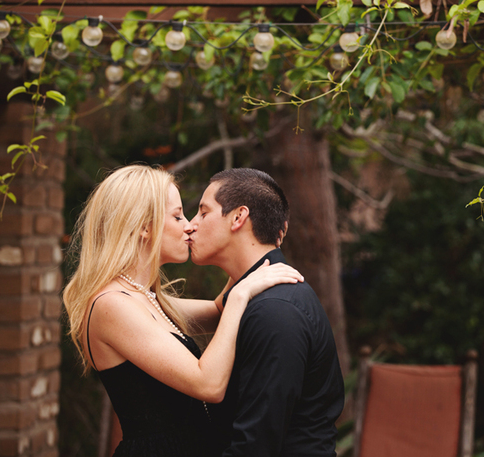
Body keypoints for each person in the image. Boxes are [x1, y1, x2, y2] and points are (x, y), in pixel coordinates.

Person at [62, 165, 303, 457]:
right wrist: (240, 295)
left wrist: (242, 246)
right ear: (144, 226)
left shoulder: (144, 298)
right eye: (177, 216)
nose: (189, 225)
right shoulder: (111, 305)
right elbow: (208, 384)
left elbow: (217, 310)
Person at [186, 168, 345, 457]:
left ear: (238, 217)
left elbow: (255, 446)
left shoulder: (275, 312)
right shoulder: (255, 300)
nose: (190, 225)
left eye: (203, 212)